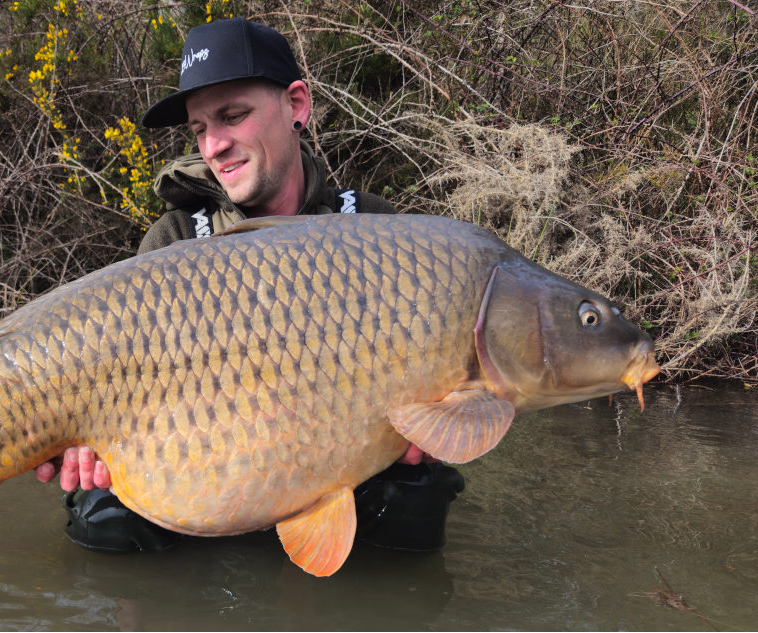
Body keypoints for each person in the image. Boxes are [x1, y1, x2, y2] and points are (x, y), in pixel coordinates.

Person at [37, 17, 465, 554]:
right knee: (102, 517)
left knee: (421, 497)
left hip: (344, 472)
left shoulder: (374, 230)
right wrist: (92, 446)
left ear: (297, 105)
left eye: (232, 116)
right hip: (213, 477)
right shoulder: (171, 240)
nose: (214, 145)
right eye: (198, 129)